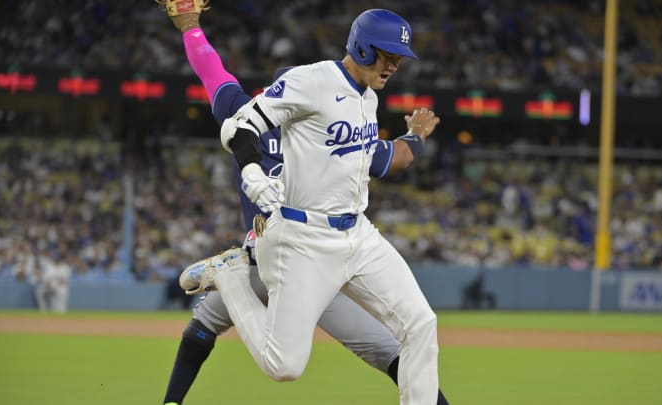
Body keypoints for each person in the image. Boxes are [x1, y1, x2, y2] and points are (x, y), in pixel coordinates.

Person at [157, 2, 447, 404]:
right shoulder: (302, 89)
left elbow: (211, 70)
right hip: (292, 247)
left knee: (418, 326)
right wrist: (414, 137)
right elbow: (397, 156)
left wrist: (190, 28)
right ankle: (228, 274)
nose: (394, 66)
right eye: (388, 56)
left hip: (348, 237)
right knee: (288, 363)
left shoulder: (362, 99)